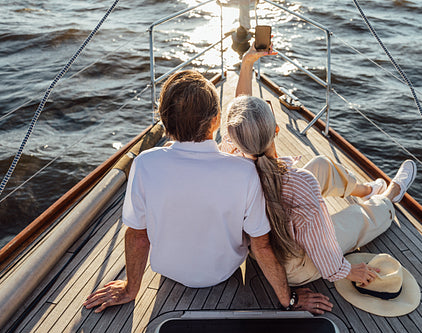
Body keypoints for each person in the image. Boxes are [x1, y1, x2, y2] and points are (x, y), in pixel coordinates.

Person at [83, 70, 332, 314]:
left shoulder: (145, 164)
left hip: (169, 271)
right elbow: (261, 246)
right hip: (224, 271)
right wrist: (288, 299)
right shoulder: (244, 172)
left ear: (165, 121)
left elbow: (137, 236)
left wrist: (130, 289)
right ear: (216, 121)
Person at [219, 45, 417, 300]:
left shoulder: (230, 152)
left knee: (322, 164)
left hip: (267, 249)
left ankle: (368, 189)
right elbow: (320, 243)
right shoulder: (300, 184)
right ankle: (388, 198)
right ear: (277, 131)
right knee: (360, 217)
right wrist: (345, 270)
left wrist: (247, 64)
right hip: (295, 266)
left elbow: (241, 112)